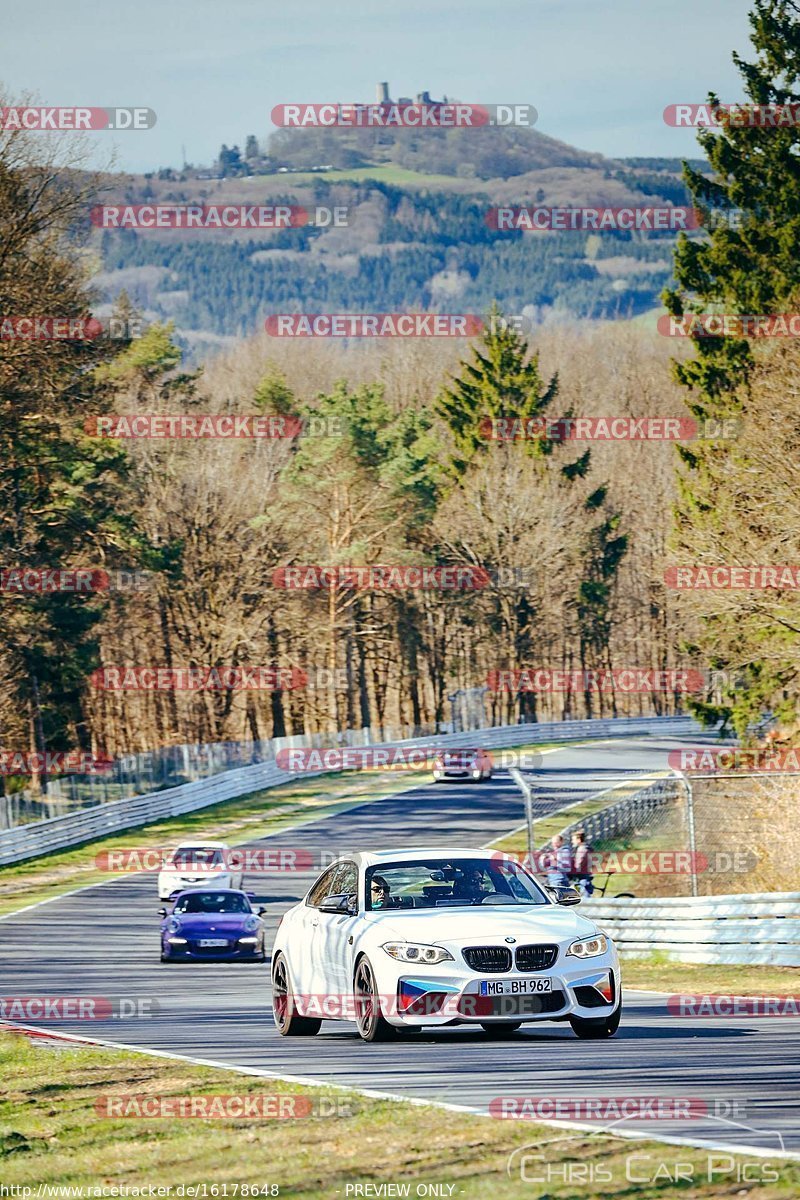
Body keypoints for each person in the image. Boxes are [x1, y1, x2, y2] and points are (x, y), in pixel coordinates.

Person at [570, 829, 594, 897]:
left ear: (579, 840)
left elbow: (579, 865)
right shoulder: (585, 848)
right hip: (585, 874)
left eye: (573, 839)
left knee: (584, 897)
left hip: (582, 876)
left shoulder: (582, 850)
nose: (572, 841)